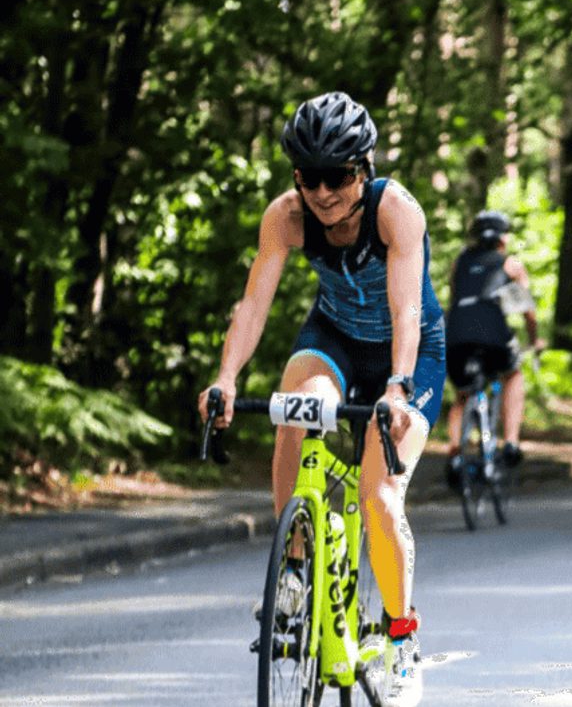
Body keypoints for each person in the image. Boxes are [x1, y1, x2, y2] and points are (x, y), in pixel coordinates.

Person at [197, 91, 441, 706]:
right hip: (333, 335)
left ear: (364, 168)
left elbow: (406, 306)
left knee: (378, 492)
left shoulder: (397, 211)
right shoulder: (286, 215)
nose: (324, 193)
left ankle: (401, 641)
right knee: (293, 405)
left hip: (407, 350)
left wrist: (398, 386)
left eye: (338, 177)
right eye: (310, 179)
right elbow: (254, 304)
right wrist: (226, 378)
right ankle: (296, 569)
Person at [445, 210, 542, 480]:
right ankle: (511, 442)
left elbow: (457, 296)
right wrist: (535, 340)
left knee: (462, 394)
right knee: (513, 374)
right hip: (493, 332)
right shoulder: (510, 264)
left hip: (456, 332)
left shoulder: (460, 262)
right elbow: (527, 310)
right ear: (503, 237)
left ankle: (454, 454)